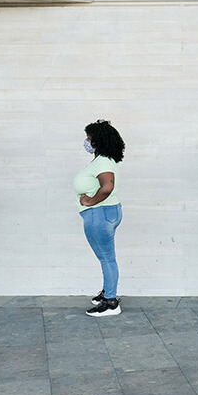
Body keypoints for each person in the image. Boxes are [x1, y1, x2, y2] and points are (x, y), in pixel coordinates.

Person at [74, 120, 125, 317]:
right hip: (104, 213)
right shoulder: (102, 160)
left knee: (107, 258)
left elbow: (107, 187)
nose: (86, 141)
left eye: (89, 138)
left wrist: (90, 201)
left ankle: (111, 302)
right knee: (106, 257)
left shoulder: (103, 161)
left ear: (98, 140)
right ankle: (107, 291)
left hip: (100, 213)